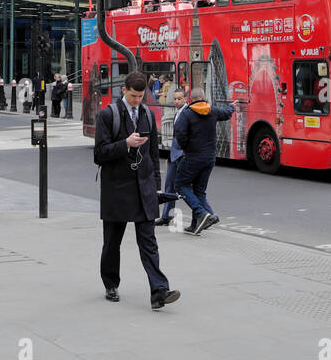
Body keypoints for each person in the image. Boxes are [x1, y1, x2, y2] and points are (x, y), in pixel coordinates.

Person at [95, 70, 180, 310]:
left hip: (143, 189)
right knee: (112, 242)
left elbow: (153, 155)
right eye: (133, 95)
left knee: (149, 241)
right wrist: (125, 144)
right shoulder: (108, 115)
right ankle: (110, 283)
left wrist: (155, 187)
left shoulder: (148, 115)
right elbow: (99, 154)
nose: (137, 100)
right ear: (124, 90)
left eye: (140, 96)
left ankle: (159, 291)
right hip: (116, 188)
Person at [172, 87, 235, 234]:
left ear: (190, 99)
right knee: (199, 190)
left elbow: (179, 133)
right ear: (204, 97)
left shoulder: (187, 114)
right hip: (210, 158)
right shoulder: (212, 110)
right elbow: (226, 114)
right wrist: (232, 106)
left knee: (180, 185)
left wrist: (186, 147)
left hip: (193, 157)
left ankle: (201, 213)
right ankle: (199, 223)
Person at [158, 87, 187, 227]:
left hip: (183, 156)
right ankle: (166, 216)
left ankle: (204, 214)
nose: (176, 101)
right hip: (174, 156)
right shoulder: (177, 113)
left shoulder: (187, 113)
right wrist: (170, 157)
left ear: (185, 99)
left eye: (179, 99)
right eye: (175, 99)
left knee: (186, 188)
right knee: (169, 186)